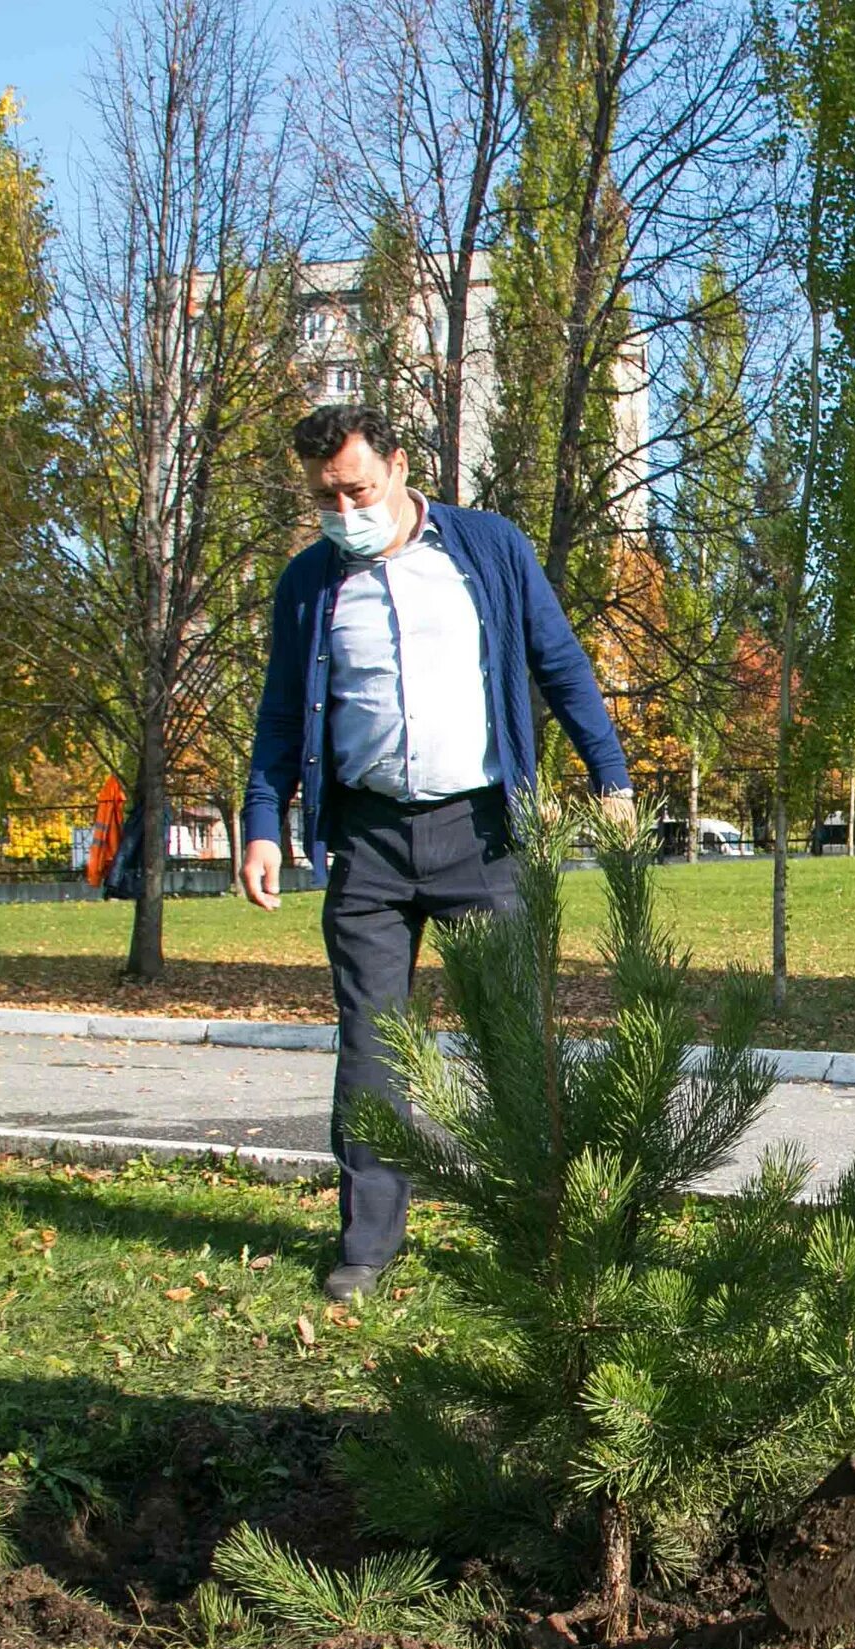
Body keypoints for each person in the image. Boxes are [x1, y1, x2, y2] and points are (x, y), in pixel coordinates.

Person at [241, 404, 635, 1302]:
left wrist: (610, 781)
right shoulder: (309, 584)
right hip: (369, 844)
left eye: (358, 489)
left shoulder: (488, 549)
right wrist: (264, 820)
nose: (344, 511)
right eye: (325, 498)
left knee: (511, 1045)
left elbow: (561, 664)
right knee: (371, 1048)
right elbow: (278, 714)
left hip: (483, 836)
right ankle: (368, 1248)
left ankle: (537, 1236)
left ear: (401, 466)